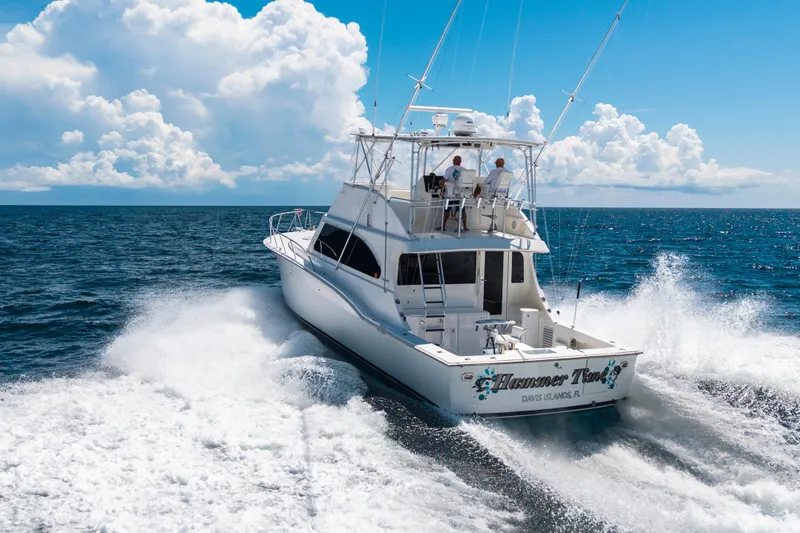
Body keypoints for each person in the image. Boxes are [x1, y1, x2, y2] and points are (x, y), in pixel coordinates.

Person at [437, 155, 468, 231]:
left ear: (454, 161)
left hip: (450, 194)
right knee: (462, 210)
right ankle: (465, 227)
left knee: (447, 210)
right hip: (460, 195)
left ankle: (443, 226)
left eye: (453, 160)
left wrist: (442, 191)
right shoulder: (465, 171)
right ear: (460, 162)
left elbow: (444, 181)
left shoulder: (449, 169)